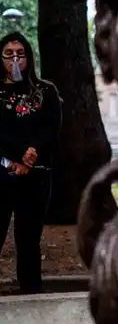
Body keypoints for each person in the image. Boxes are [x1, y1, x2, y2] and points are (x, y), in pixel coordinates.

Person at [0, 32, 62, 294]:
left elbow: (51, 128)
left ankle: (31, 294)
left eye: (20, 53)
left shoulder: (46, 90)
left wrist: (31, 155)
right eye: (9, 53)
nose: (15, 59)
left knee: (29, 240)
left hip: (36, 174)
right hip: (2, 172)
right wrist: (17, 156)